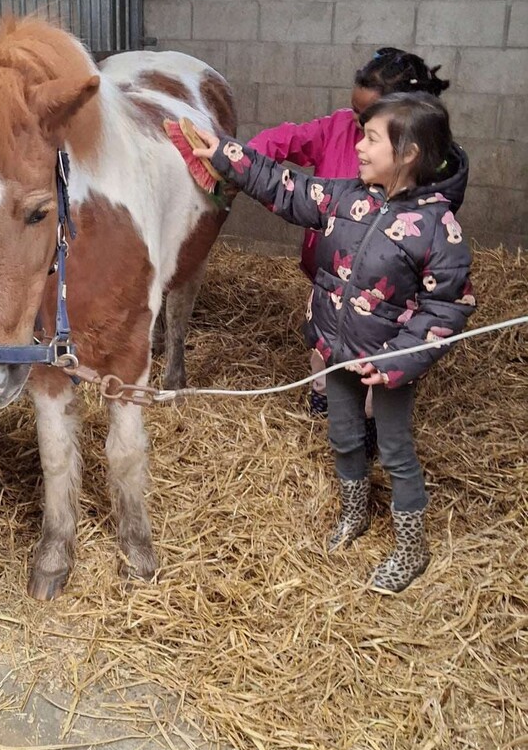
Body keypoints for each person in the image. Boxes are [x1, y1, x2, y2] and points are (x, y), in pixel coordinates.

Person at [193, 93, 474, 594]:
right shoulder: (346, 197)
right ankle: (355, 515)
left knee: (394, 452)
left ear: (408, 153)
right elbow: (283, 186)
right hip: (334, 346)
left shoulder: (439, 230)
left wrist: (400, 359)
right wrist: (225, 154)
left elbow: (448, 308)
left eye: (370, 139)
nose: (358, 148)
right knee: (344, 436)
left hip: (385, 364)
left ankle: (412, 547)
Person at [248, 48, 451, 419]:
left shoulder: (428, 170)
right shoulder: (339, 127)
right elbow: (288, 139)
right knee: (327, 342)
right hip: (333, 271)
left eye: (367, 120)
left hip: (388, 294)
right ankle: (326, 399)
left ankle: (370, 419)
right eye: (355, 113)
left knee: (377, 360)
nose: (356, 127)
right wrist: (245, 157)